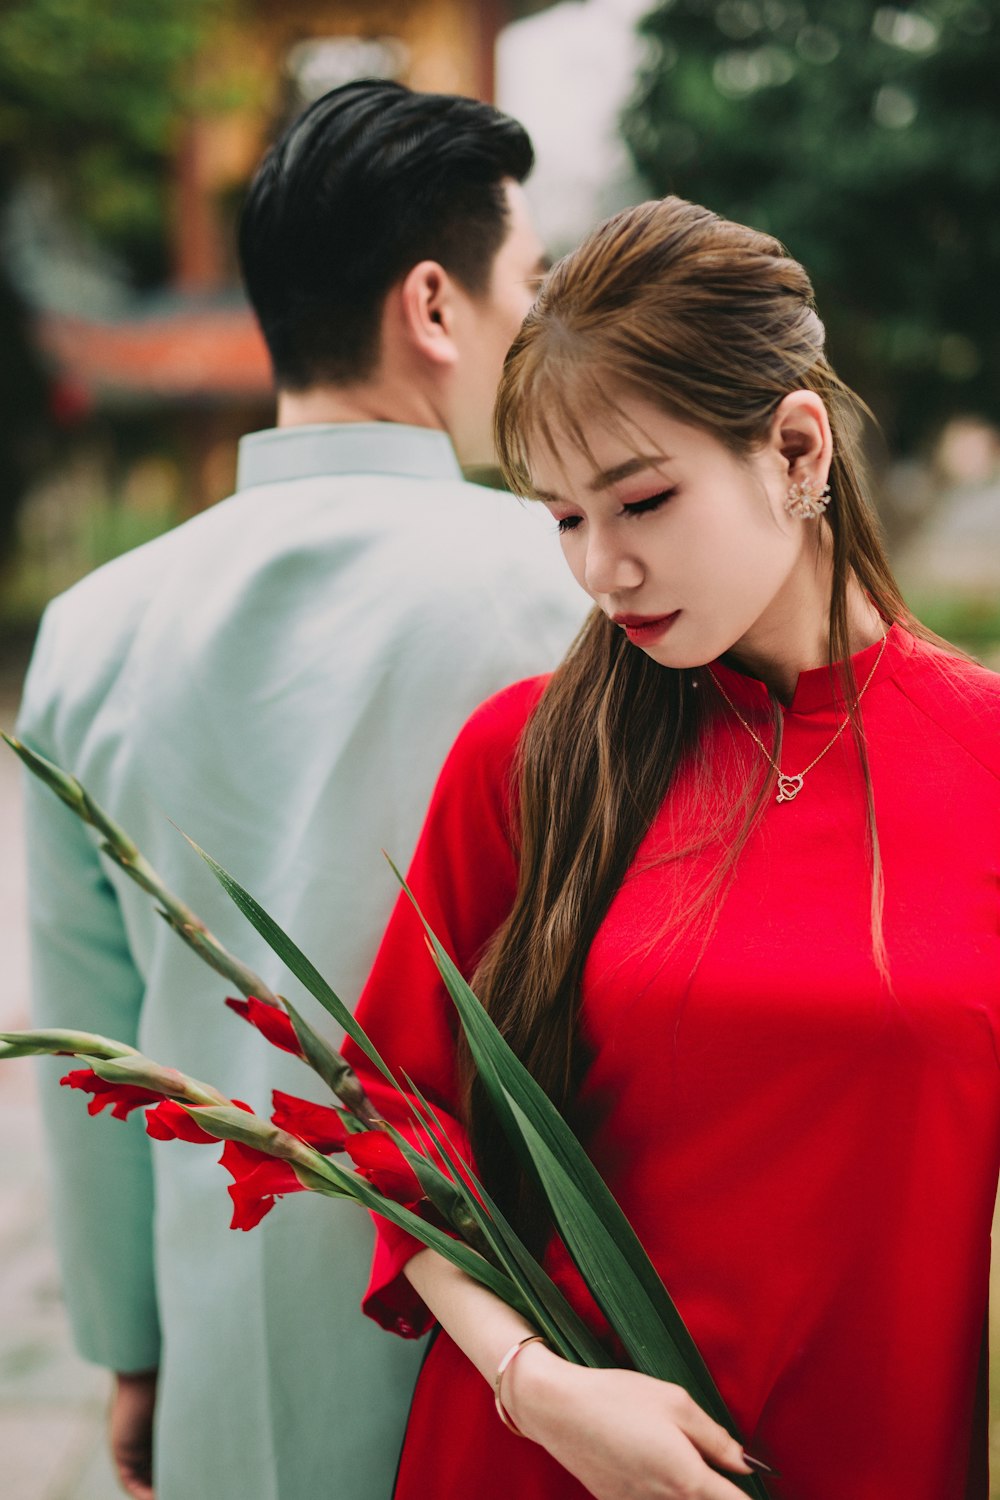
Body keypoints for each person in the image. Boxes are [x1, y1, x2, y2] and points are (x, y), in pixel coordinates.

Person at [345, 196, 1000, 1500]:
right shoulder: (533, 758)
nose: (604, 570)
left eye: (640, 501)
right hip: (547, 1462)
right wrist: (543, 1393)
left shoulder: (985, 758)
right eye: (564, 518)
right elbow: (389, 1103)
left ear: (797, 446)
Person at [16, 81, 585, 1500]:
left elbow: (90, 1051)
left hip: (232, 1340)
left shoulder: (92, 626)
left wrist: (132, 1350)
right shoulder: (576, 591)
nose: (538, 327)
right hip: (543, 1342)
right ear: (436, 305)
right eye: (531, 285)